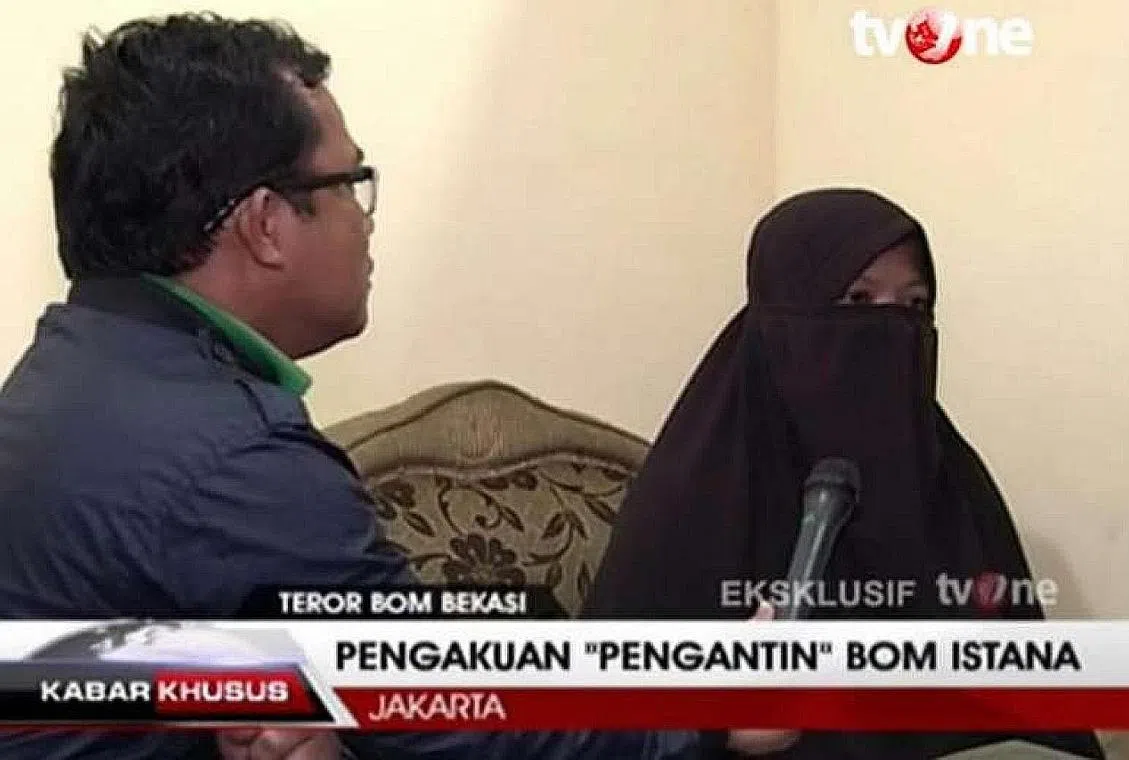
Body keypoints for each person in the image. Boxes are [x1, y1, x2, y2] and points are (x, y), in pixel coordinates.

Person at [0, 12, 796, 760]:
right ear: (267, 224)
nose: (364, 218)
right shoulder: (232, 458)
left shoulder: (71, 370)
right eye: (349, 183)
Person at [581, 188, 1107, 759]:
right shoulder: (692, 500)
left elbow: (1031, 693)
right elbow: (611, 727)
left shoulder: (948, 475)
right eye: (858, 300)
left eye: (913, 306)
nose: (892, 330)